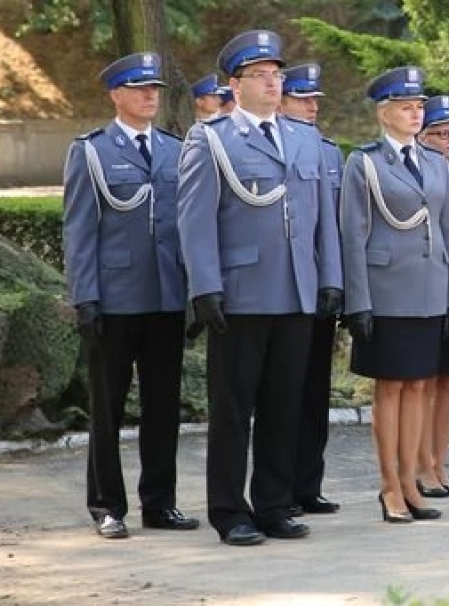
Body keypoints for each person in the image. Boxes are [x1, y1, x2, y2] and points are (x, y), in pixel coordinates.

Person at [178, 29, 343, 546]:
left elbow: (322, 221)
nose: (273, 85)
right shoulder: (212, 139)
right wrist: (204, 287)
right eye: (261, 76)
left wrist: (331, 277)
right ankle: (230, 511)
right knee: (233, 409)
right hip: (242, 292)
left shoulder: (304, 137)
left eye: (277, 75)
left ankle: (274, 504)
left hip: (296, 290)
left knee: (283, 405)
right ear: (235, 84)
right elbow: (195, 220)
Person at [63, 51, 196, 541]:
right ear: (116, 95)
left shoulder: (174, 149)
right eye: (140, 89)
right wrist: (85, 297)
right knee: (108, 408)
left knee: (163, 407)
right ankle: (106, 505)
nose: (149, 96)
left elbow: (187, 228)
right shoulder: (92, 150)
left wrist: (194, 291)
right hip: (115, 299)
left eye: (155, 89)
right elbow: (80, 230)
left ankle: (159, 503)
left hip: (164, 296)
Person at [339, 66, 449, 524]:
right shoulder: (365, 163)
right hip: (387, 289)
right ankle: (390, 485)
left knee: (419, 384)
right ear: (384, 113)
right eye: (407, 107)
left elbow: (448, 231)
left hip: (430, 286)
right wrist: (359, 301)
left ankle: (412, 482)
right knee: (391, 388)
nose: (416, 114)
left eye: (420, 107)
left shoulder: (433, 161)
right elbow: (353, 235)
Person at [278, 63, 344, 519]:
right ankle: (278, 489)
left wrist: (336, 282)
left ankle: (309, 484)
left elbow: (336, 227)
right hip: (282, 287)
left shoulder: (330, 151)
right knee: (284, 393)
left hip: (319, 286)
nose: (313, 105)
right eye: (303, 98)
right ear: (281, 101)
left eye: (315, 98)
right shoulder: (272, 147)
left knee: (315, 392)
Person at [415, 94, 449, 498]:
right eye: (439, 133)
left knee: (448, 379)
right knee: (424, 380)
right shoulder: (418, 172)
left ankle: (439, 461)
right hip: (422, 287)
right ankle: (419, 466)